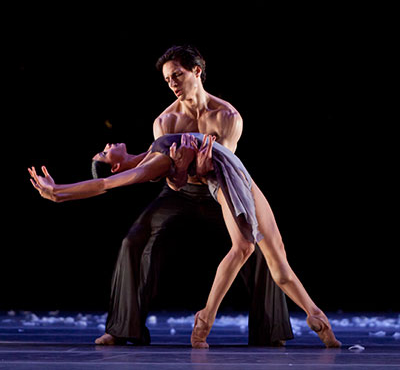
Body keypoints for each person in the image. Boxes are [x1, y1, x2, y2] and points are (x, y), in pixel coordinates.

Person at [28, 132, 341, 349]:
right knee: (244, 247)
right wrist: (59, 193)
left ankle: (317, 317)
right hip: (220, 171)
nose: (107, 145)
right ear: (115, 163)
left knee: (278, 258)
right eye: (104, 152)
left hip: (236, 169)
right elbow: (105, 184)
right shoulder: (154, 163)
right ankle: (205, 319)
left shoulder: (154, 153)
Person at [95, 44, 293, 346]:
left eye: (177, 75)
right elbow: (167, 175)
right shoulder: (165, 122)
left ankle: (270, 331)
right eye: (167, 79)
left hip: (222, 189)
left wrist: (199, 169)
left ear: (196, 71)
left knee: (259, 240)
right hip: (180, 191)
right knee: (133, 239)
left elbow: (222, 169)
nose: (172, 83)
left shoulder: (227, 116)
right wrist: (178, 176)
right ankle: (123, 328)